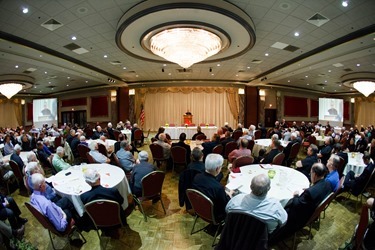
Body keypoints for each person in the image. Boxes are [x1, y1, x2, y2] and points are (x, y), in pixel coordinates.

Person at [270, 163, 332, 243]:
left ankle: (271, 235)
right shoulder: (327, 184)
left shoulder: (309, 193)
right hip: (311, 211)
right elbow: (317, 192)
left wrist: (296, 196)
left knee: (278, 207)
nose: (310, 174)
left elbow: (296, 205)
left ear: (315, 174)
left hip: (299, 218)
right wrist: (310, 189)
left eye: (311, 172)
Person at [192, 154, 232, 221]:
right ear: (217, 169)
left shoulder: (196, 177)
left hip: (198, 208)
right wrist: (229, 195)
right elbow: (225, 205)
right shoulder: (218, 188)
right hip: (214, 215)